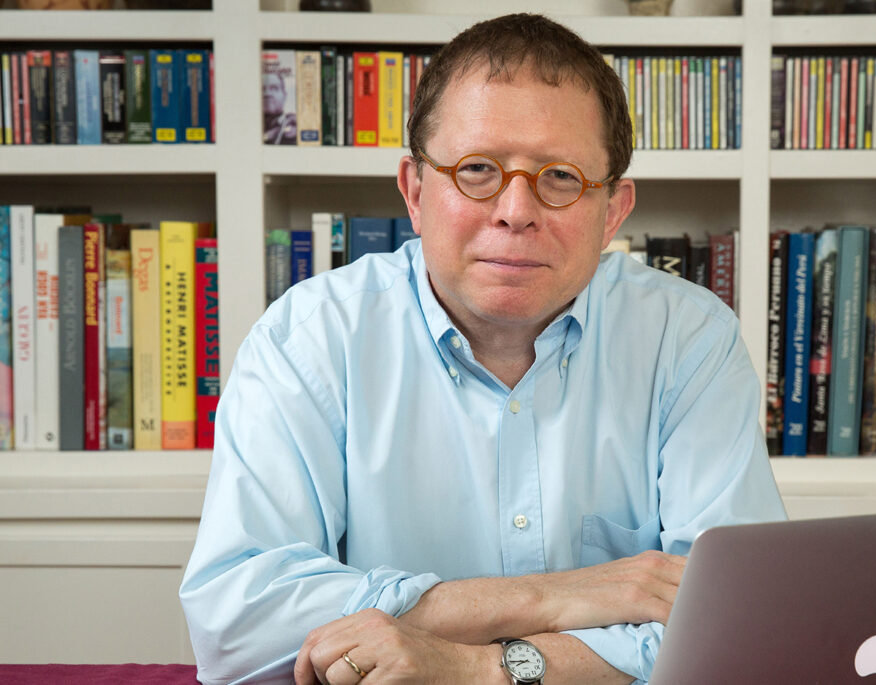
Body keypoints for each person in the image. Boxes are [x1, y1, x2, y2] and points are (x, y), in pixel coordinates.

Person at [181, 13, 786, 685]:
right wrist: (553, 596)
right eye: (477, 169)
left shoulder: (689, 339)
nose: (516, 209)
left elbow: (740, 626)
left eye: (559, 176)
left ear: (613, 210)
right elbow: (233, 627)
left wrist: (478, 667)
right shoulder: (309, 339)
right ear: (415, 191)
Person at [263, 69, 297, 144]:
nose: (267, 93)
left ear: (284, 95)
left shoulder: (295, 126)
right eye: (262, 89)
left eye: (274, 88)